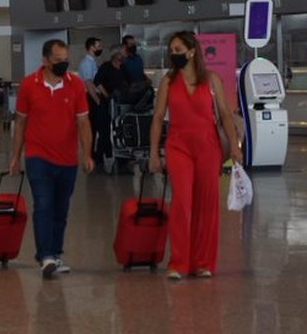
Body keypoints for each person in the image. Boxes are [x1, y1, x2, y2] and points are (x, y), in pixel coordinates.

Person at [148, 30, 241, 281]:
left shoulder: (211, 80)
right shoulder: (168, 82)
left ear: (191, 52)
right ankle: (179, 262)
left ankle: (203, 262)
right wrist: (154, 152)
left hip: (208, 147)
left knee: (207, 205)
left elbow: (225, 115)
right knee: (182, 203)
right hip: (178, 146)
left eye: (178, 50)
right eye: (171, 50)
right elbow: (158, 117)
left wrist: (235, 146)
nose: (174, 54)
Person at [8, 38, 94, 279]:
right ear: (45, 60)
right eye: (58, 60)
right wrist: (16, 156)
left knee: (61, 209)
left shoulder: (76, 85)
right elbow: (21, 122)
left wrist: (87, 154)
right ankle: (45, 255)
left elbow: (83, 122)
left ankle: (55, 253)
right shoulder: (29, 85)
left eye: (66, 60)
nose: (63, 64)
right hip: (38, 156)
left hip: (67, 159)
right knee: (44, 204)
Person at [93, 46, 131, 169]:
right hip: (107, 103)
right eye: (122, 53)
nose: (124, 56)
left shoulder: (123, 68)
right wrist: (107, 96)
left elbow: (129, 82)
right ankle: (101, 157)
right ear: (116, 55)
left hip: (120, 103)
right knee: (105, 131)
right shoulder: (106, 67)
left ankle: (122, 159)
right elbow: (97, 82)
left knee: (121, 130)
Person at [78, 37, 103, 162]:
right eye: (98, 46)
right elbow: (89, 83)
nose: (100, 48)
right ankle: (91, 154)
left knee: (95, 127)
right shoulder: (87, 63)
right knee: (93, 126)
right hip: (90, 97)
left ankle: (94, 153)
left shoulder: (92, 62)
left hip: (92, 96)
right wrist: (97, 100)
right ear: (91, 47)